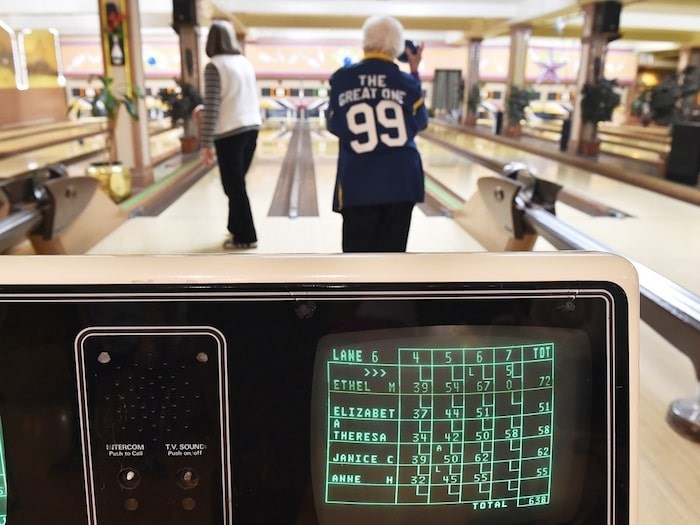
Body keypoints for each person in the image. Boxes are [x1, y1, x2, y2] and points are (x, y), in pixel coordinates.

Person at [327, 15, 428, 252]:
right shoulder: (407, 83)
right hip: (402, 182)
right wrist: (414, 71)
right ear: (398, 47)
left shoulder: (342, 79)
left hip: (357, 182)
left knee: (357, 260)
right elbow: (421, 122)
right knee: (392, 259)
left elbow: (334, 125)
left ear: (365, 42)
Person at [200, 19, 262, 250]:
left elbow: (214, 104)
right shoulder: (244, 62)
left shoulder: (214, 65)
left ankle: (246, 236)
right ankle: (235, 228)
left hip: (229, 133)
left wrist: (205, 143)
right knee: (236, 184)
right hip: (251, 128)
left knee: (233, 187)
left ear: (211, 41)